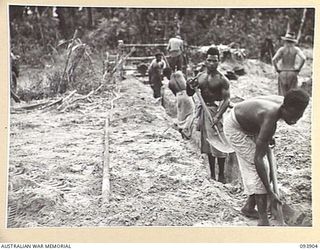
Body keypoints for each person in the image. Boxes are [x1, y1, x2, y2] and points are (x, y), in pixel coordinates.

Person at [223, 88, 309, 226]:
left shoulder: (287, 101)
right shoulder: (270, 117)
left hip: (250, 123)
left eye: (299, 116)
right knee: (260, 167)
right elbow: (258, 160)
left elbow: (257, 107)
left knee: (267, 166)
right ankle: (263, 220)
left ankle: (249, 208)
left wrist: (264, 134)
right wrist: (270, 193)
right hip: (235, 127)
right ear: (285, 108)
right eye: (293, 116)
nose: (295, 121)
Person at [186, 47, 230, 183]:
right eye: (209, 60)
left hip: (215, 111)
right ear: (206, 60)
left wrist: (217, 117)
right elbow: (189, 93)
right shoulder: (201, 77)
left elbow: (226, 100)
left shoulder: (222, 79)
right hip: (203, 112)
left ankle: (221, 175)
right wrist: (189, 85)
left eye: (214, 61)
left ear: (218, 61)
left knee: (219, 143)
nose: (211, 63)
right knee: (208, 144)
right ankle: (212, 174)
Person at [272, 32, 306, 96]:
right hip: (292, 72)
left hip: (282, 72)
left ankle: (282, 104)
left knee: (282, 93)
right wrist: (298, 68)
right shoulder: (296, 49)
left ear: (285, 40)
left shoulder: (282, 49)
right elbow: (303, 58)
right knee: (291, 93)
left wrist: (277, 69)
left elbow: (273, 59)